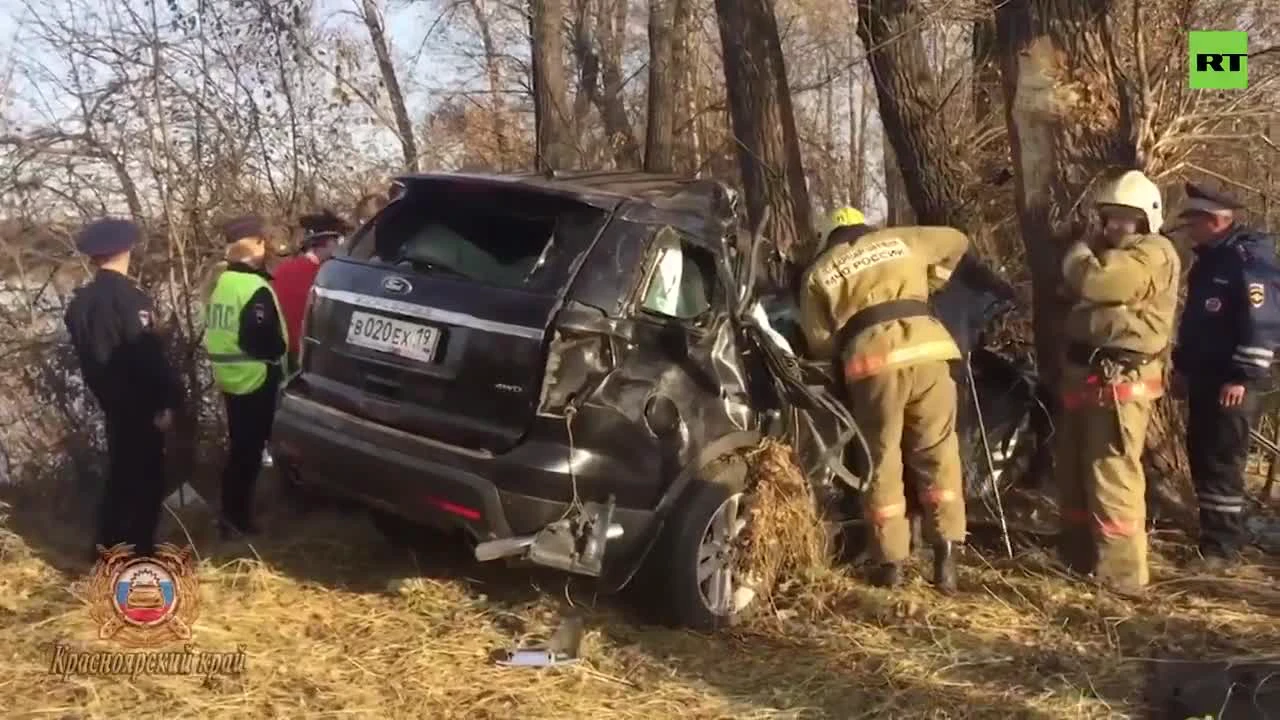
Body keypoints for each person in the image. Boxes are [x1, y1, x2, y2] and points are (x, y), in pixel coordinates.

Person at [797, 207, 969, 592]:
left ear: (829, 239)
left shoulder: (819, 271)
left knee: (882, 459)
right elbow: (957, 240)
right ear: (864, 227)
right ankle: (946, 558)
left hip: (872, 364)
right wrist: (931, 282)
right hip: (929, 351)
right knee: (939, 451)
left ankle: (890, 564)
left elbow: (819, 344)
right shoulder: (901, 239)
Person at [1054, 170, 1180, 596]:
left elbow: (1099, 282)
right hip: (1092, 375)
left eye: (1127, 219)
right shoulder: (1109, 252)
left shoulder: (1154, 252)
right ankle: (1078, 559)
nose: (1116, 227)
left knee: (1113, 476)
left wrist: (1076, 256)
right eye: (1111, 218)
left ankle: (1123, 578)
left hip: (1121, 381)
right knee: (1074, 472)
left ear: (1148, 220)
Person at [1171, 182, 1280, 568]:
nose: (1189, 230)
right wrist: (1182, 367)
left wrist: (1243, 376)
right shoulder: (1210, 262)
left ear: (1217, 221)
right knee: (1202, 456)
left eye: (1194, 222)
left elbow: (1262, 323)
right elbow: (1196, 323)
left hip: (1230, 383)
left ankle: (1223, 547)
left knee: (1222, 460)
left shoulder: (1248, 260)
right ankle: (1211, 535)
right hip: (1203, 378)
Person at [64, 218, 182, 559]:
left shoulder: (80, 303)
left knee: (119, 474)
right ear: (125, 250)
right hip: (141, 404)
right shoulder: (131, 300)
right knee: (147, 478)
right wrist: (167, 402)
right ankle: (140, 549)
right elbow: (146, 357)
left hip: (110, 402)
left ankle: (106, 547)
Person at [204, 215, 288, 539]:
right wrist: (278, 350)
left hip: (229, 376)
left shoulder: (221, 283)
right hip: (255, 376)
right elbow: (261, 337)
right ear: (256, 244)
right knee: (249, 452)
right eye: (262, 241)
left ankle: (230, 515)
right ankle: (238, 519)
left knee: (240, 449)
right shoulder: (253, 286)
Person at [272, 209, 352, 373]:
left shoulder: (282, 269)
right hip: (310, 358)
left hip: (281, 355)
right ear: (327, 242)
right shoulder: (326, 277)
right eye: (337, 241)